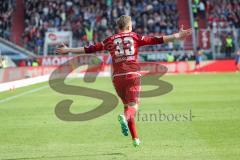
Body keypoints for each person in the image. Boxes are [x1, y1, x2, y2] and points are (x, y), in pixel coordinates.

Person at [56, 15, 192, 147]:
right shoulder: (134, 36)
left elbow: (89, 49)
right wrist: (177, 36)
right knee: (133, 107)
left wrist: (68, 49)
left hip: (117, 78)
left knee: (128, 106)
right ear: (128, 25)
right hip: (132, 75)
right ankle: (124, 117)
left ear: (118, 27)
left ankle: (135, 138)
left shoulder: (109, 40)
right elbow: (156, 40)